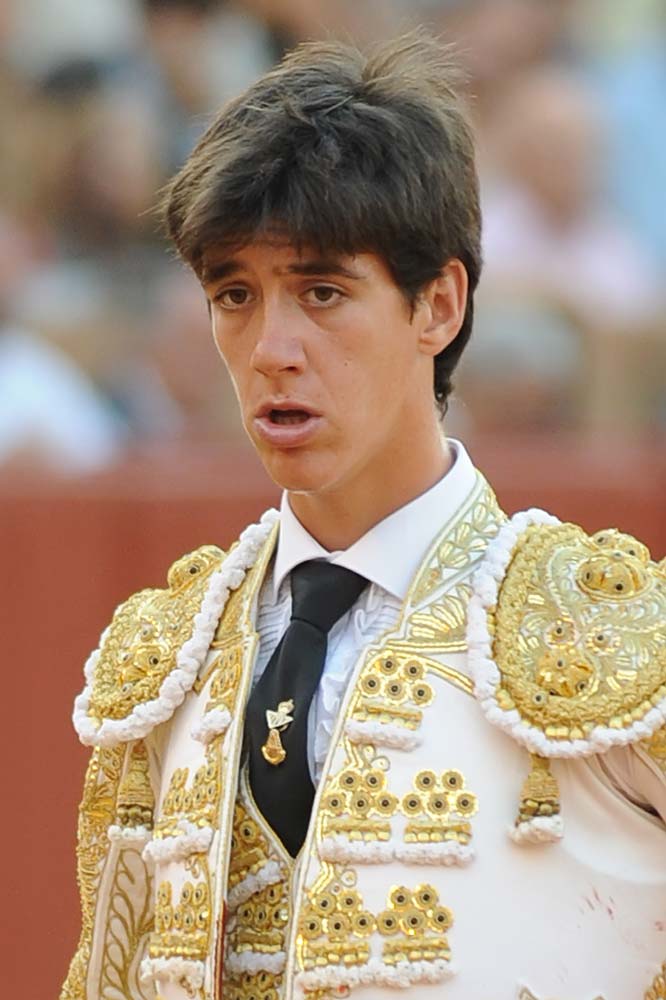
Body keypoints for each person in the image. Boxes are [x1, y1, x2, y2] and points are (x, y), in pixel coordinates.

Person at [60, 33, 666, 1000]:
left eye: (323, 292)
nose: (270, 348)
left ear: (439, 305)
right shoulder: (168, 661)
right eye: (234, 295)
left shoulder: (619, 638)